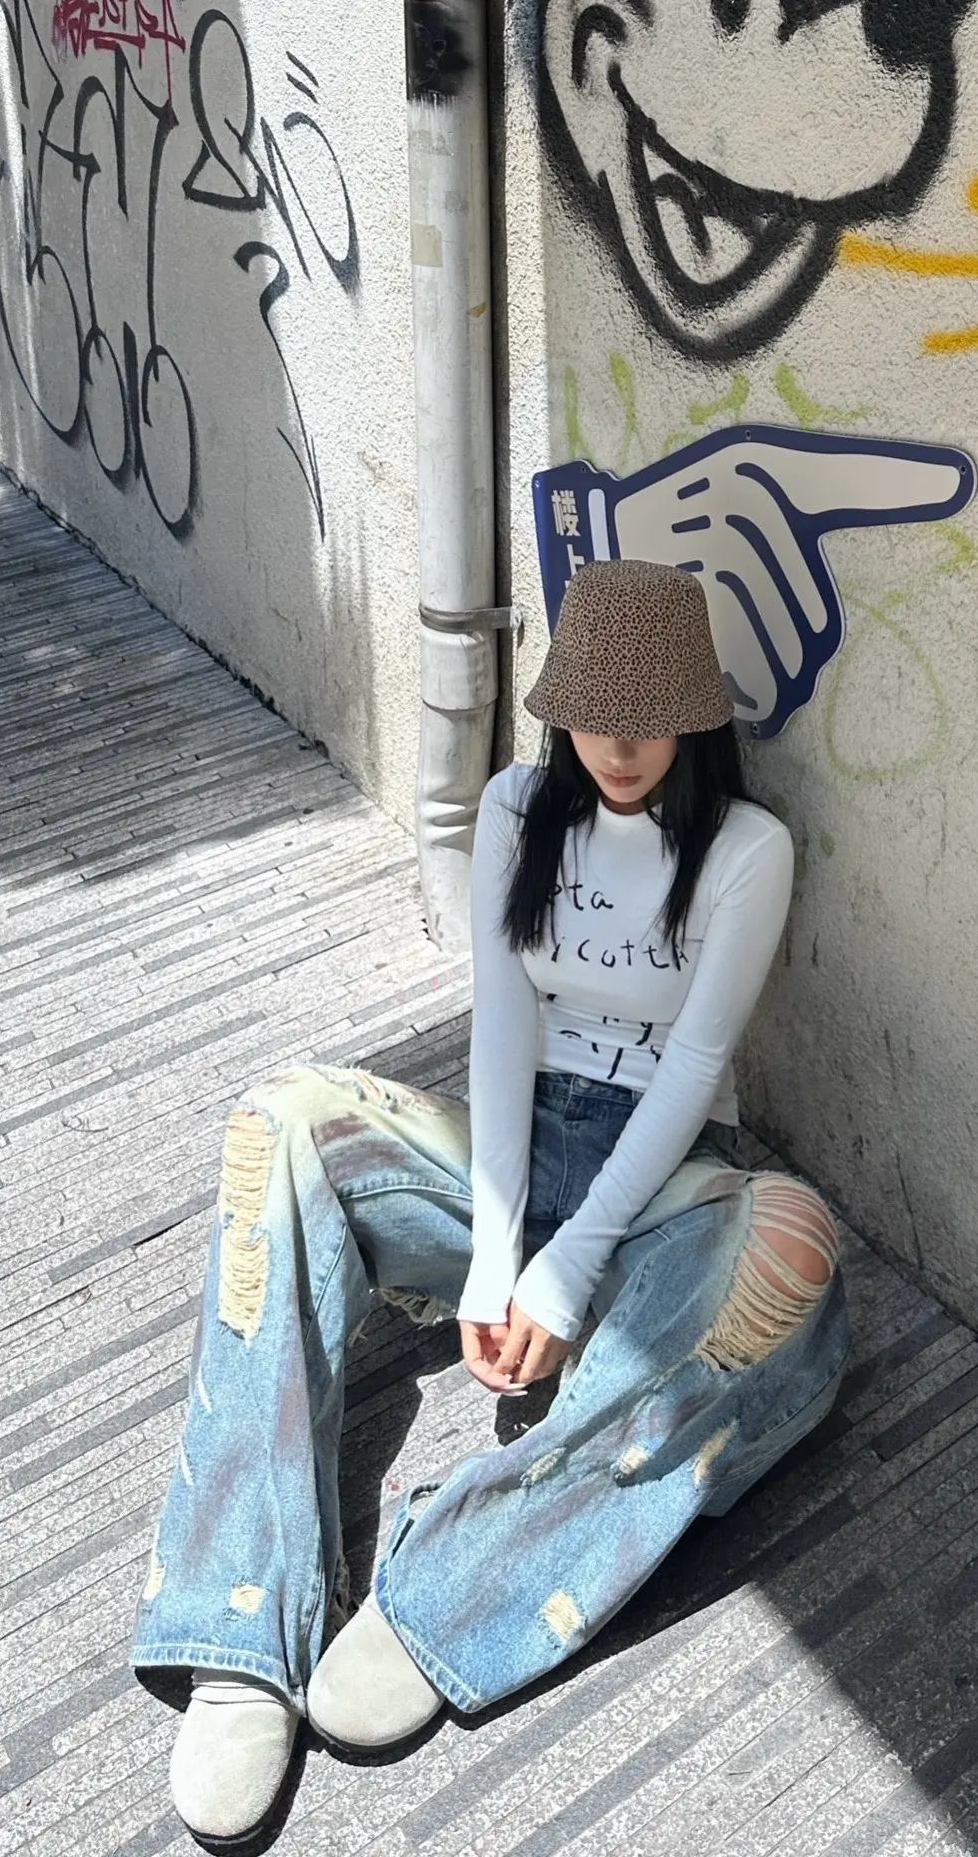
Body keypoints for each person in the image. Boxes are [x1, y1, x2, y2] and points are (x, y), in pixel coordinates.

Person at [131, 559, 850, 1845]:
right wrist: (495, 1255)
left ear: (694, 720)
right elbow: (504, 1033)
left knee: (793, 1247)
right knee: (282, 1122)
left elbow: (692, 1069)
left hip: (659, 1181)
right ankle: (243, 1619)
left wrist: (569, 1272)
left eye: (647, 718)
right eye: (592, 715)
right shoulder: (518, 807)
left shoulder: (749, 851)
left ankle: (450, 1594)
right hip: (508, 1153)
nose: (617, 746)